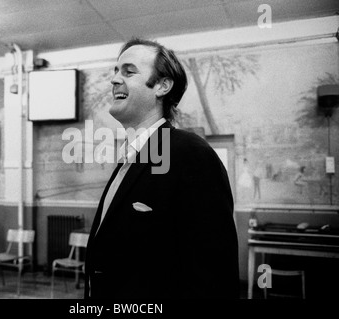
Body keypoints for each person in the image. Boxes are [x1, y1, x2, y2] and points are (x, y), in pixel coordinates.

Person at [84, 38, 239, 299]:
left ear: (162, 86)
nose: (114, 79)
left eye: (128, 71)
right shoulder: (129, 159)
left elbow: (215, 276)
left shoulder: (191, 154)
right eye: (115, 70)